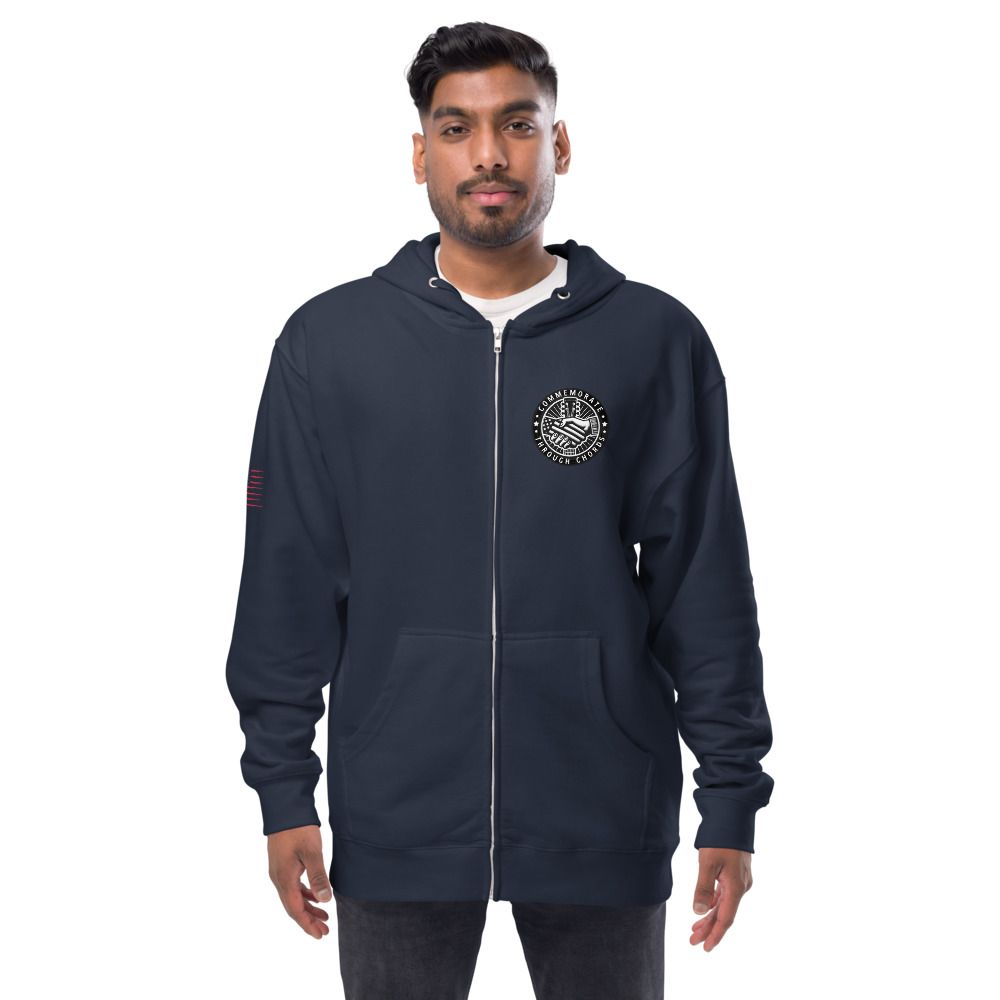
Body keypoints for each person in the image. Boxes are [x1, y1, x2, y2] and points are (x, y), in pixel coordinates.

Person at [225, 21, 775, 1000]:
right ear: (420, 154)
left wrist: (729, 796)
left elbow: (704, 587)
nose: (488, 153)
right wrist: (283, 790)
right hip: (396, 812)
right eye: (456, 128)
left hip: (602, 807)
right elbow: (286, 584)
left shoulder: (653, 339)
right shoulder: (330, 343)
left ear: (558, 143)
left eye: (518, 125)